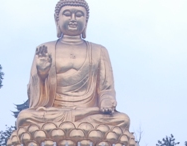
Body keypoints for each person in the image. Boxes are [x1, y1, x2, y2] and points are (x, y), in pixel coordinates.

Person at [16, 1, 131, 134]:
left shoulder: (99, 50)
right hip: (54, 112)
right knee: (25, 117)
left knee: (122, 120)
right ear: (57, 19)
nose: (73, 19)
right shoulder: (46, 49)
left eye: (79, 15)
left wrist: (106, 101)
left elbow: (106, 89)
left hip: (88, 113)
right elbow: (34, 98)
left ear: (86, 21)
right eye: (67, 14)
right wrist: (42, 74)